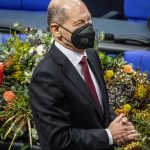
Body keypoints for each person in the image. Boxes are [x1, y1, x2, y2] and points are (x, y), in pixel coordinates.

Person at [29, 0, 140, 150]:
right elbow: (57, 140)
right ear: (56, 30)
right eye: (79, 23)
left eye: (89, 20)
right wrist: (108, 135)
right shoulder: (46, 75)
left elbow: (98, 107)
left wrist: (120, 126)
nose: (88, 28)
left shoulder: (91, 55)